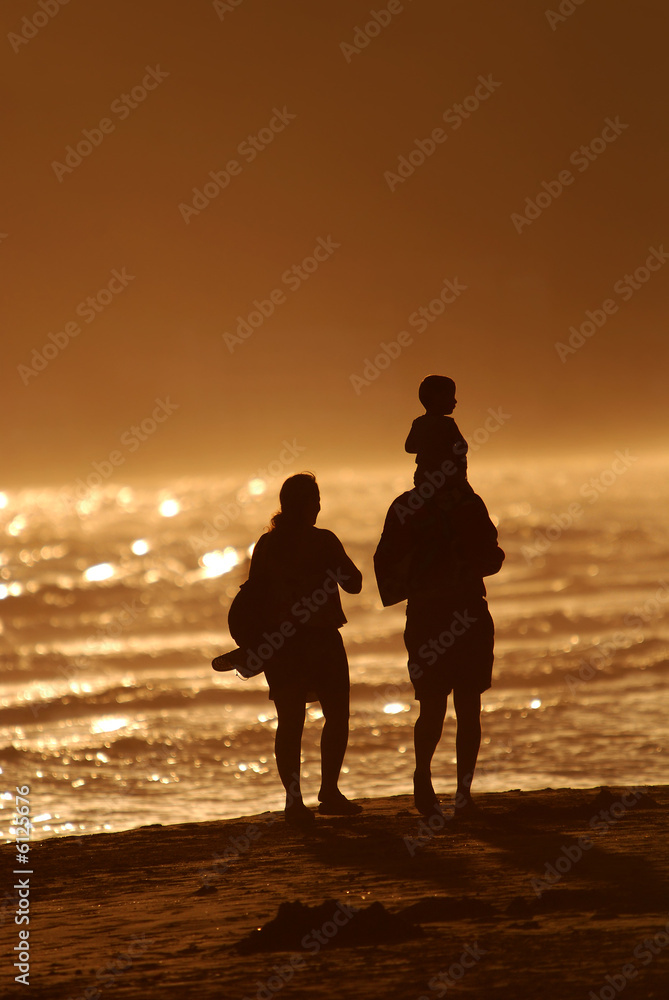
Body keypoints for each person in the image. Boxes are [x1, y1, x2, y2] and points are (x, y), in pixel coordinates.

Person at [374, 480, 504, 818]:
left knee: (441, 707)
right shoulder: (466, 504)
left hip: (433, 614)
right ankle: (450, 789)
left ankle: (438, 785)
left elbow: (386, 564)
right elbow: (491, 558)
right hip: (456, 613)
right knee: (456, 707)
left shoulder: (412, 506)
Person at [247, 473, 363, 825]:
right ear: (306, 504)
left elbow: (252, 597)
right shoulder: (323, 541)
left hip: (280, 645)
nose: (319, 506)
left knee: (290, 722)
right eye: (315, 499)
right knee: (337, 715)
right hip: (320, 639)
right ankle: (329, 792)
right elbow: (354, 584)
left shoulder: (265, 546)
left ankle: (294, 802)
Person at [405, 374, 469, 488]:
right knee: (468, 495)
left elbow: (409, 447)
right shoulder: (448, 424)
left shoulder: (418, 423)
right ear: (439, 398)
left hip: (422, 476)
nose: (455, 401)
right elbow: (463, 445)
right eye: (451, 397)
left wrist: (425, 448)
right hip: (446, 476)